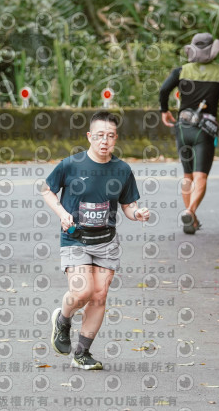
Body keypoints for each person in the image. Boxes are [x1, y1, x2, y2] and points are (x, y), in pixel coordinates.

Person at [42, 111, 150, 370]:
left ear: (115, 139)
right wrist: (62, 213)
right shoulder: (71, 165)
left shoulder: (122, 170)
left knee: (99, 296)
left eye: (110, 136)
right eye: (100, 135)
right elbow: (47, 191)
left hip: (106, 242)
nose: (105, 141)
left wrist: (137, 213)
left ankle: (82, 353)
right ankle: (63, 320)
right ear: (89, 136)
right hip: (75, 238)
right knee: (83, 291)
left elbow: (128, 205)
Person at [159, 33, 219, 234]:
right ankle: (190, 211)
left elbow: (163, 90)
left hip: (183, 128)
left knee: (187, 175)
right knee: (200, 176)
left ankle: (191, 220)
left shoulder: (181, 71)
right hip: (205, 130)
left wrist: (164, 111)